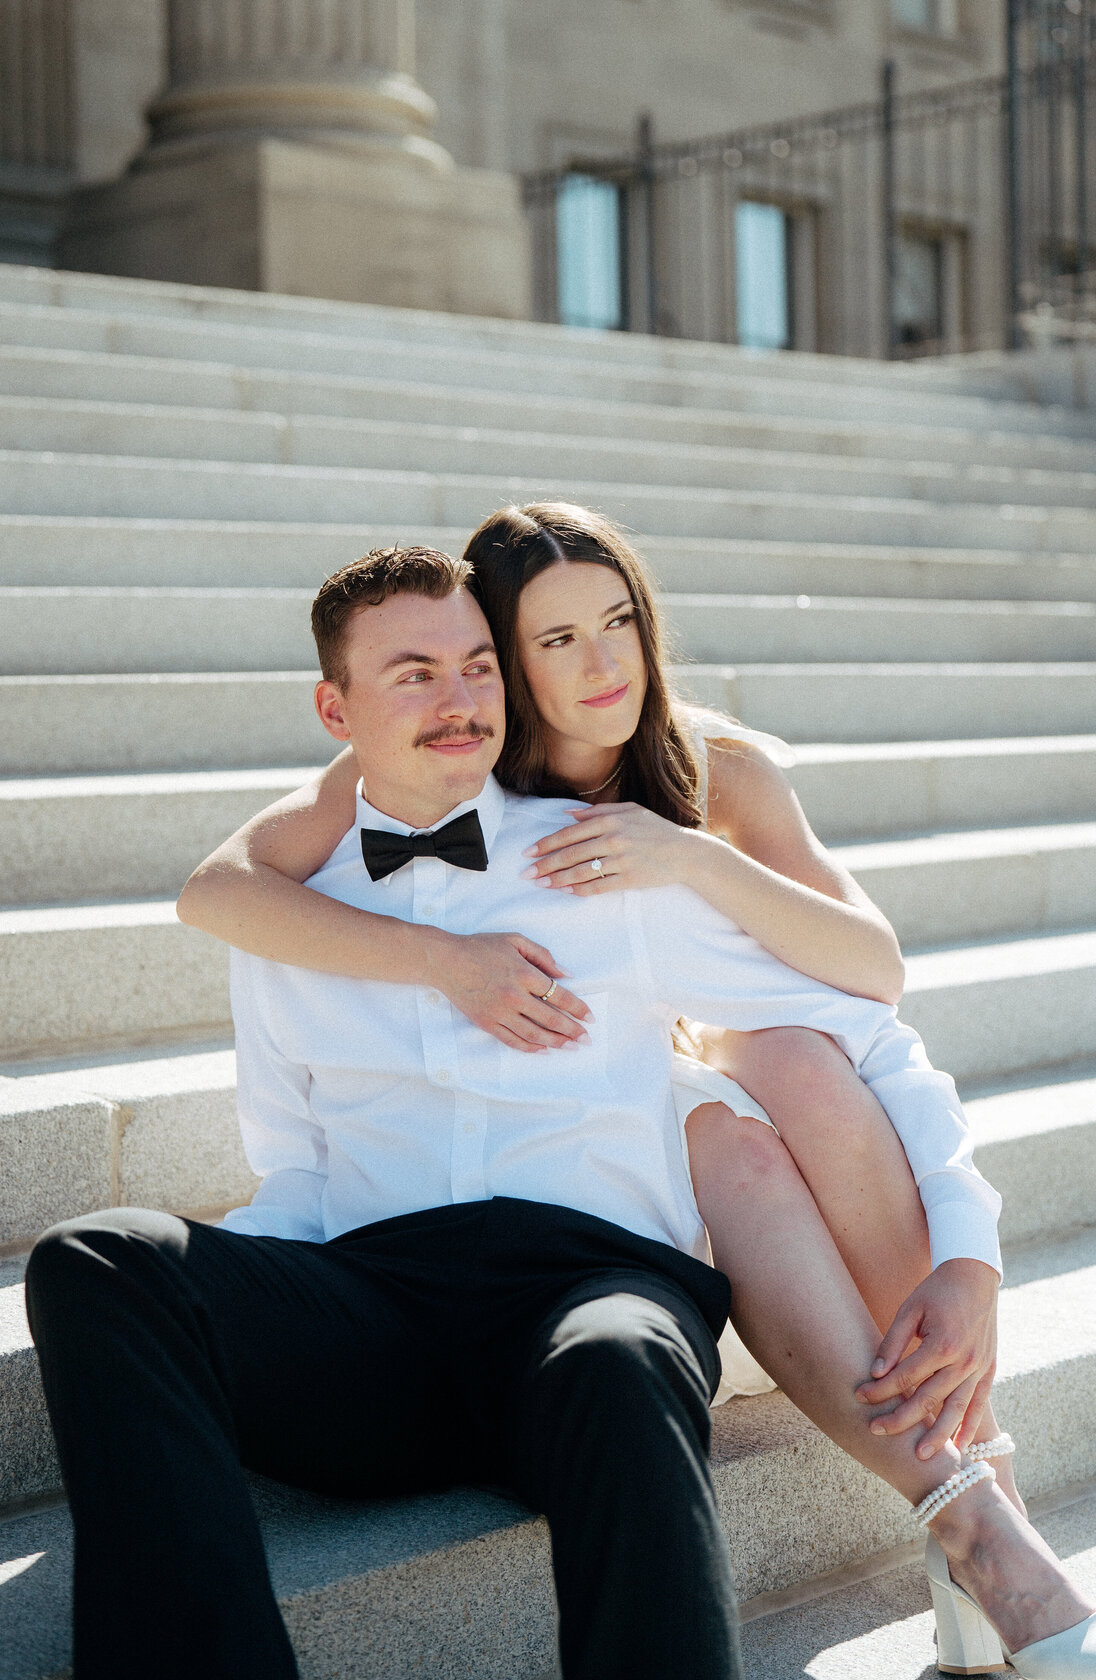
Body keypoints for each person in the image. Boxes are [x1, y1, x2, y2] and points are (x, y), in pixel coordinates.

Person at [171, 521, 1096, 1678]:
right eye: (555, 639)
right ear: (503, 663)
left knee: (790, 1063)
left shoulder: (716, 768)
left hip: (725, 1090)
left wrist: (689, 855)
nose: (604, 664)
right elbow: (221, 889)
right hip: (629, 1141)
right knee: (717, 1121)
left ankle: (983, 1500)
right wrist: (448, 966)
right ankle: (981, 1531)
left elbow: (874, 987)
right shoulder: (434, 762)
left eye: (619, 621)